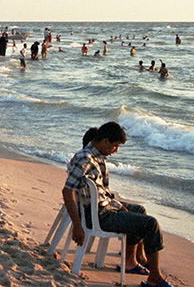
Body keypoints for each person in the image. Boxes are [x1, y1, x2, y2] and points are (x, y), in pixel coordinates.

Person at [63, 122, 172, 287]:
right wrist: (78, 225)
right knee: (151, 224)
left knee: (140, 210)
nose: (116, 150)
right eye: (115, 146)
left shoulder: (97, 156)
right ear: (105, 141)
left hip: (101, 207)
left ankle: (131, 261)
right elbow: (67, 191)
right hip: (98, 216)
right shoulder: (85, 159)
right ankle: (154, 278)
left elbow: (100, 191)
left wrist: (116, 204)